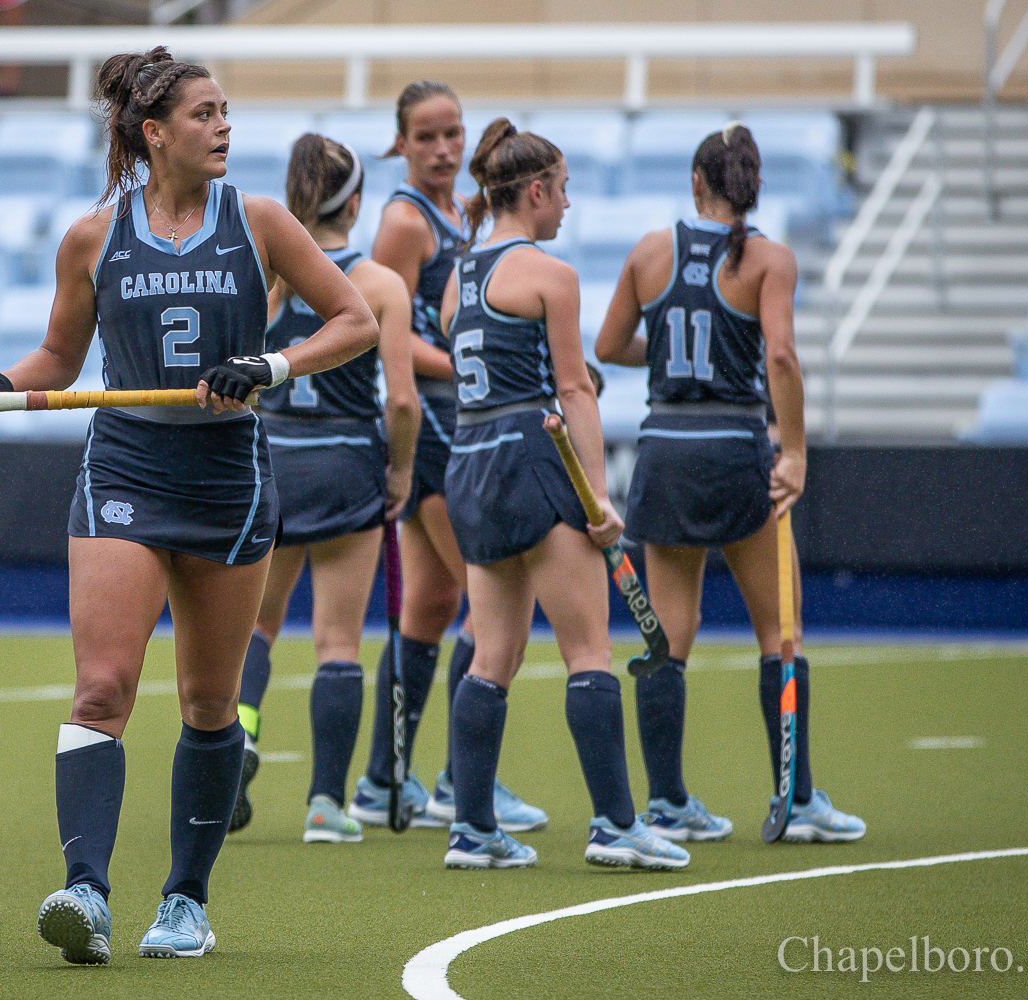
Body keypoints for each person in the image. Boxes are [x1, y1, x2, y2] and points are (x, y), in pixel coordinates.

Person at [0, 47, 377, 961]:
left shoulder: (259, 222)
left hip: (228, 480)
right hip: (126, 472)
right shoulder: (94, 238)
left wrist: (270, 365)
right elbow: (55, 363)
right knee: (102, 689)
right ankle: (86, 894)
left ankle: (185, 901)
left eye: (226, 111)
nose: (224, 126)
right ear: (154, 132)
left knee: (210, 704)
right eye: (205, 113)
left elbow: (354, 322)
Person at [593, 122, 865, 845]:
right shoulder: (768, 259)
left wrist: (681, 351)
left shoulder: (652, 251)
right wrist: (797, 452)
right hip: (734, 445)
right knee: (781, 630)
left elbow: (609, 345)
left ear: (694, 183)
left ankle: (669, 803)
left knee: (666, 638)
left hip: (664, 450)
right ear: (754, 187)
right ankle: (797, 798)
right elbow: (782, 357)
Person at [435, 119, 691, 872]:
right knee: (589, 651)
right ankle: (616, 824)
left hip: (470, 465)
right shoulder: (550, 275)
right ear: (536, 190)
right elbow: (574, 389)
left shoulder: (457, 280)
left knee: (493, 653)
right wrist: (597, 497)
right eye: (565, 189)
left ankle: (472, 829)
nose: (569, 205)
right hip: (531, 460)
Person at [349, 80, 546, 833]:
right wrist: (470, 363)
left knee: (432, 604)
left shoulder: (457, 212)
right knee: (488, 598)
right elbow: (381, 326)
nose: (442, 149)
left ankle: (382, 780)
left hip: (455, 422)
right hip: (433, 428)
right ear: (400, 143)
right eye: (426, 137)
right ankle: (465, 779)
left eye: (452, 134)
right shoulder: (404, 220)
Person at [230, 133, 420, 844]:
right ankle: (324, 805)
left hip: (273, 459)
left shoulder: (269, 272)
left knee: (256, 624)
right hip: (345, 465)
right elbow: (402, 403)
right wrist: (399, 470)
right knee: (338, 640)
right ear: (358, 199)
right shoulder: (378, 285)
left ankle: (241, 734)